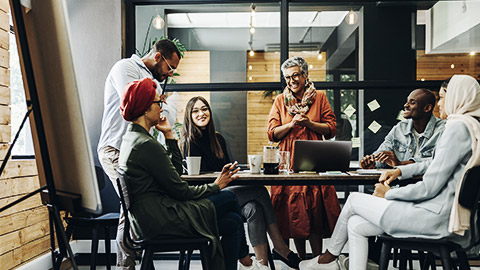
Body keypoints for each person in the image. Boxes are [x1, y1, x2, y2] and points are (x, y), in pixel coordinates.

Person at [299, 74, 480, 270]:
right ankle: (333, 263)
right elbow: (435, 164)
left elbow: (429, 187)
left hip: (435, 217)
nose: (440, 103)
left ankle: (327, 260)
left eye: (444, 97)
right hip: (443, 214)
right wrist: (400, 170)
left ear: (458, 97)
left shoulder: (456, 128)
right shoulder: (472, 127)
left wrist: (389, 194)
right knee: (356, 224)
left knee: (352, 201)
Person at [118, 78, 267, 270]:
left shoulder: (133, 139)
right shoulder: (145, 145)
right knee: (229, 197)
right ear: (146, 108)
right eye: (158, 102)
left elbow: (175, 172)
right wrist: (216, 186)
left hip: (150, 219)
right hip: (161, 220)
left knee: (234, 221)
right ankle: (246, 260)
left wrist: (169, 136)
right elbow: (180, 190)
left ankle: (244, 262)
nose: (161, 106)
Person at [182, 96, 301, 269]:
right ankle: (280, 247)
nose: (201, 113)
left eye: (204, 109)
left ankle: (261, 264)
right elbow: (195, 183)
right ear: (189, 116)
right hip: (208, 199)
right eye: (196, 111)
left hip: (226, 193)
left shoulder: (218, 139)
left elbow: (228, 172)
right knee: (259, 192)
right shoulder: (188, 142)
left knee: (254, 207)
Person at [97, 39, 181, 269]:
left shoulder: (152, 80)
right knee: (131, 204)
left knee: (138, 204)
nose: (171, 74)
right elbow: (135, 103)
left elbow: (166, 117)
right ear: (157, 57)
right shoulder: (125, 68)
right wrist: (158, 100)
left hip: (136, 153)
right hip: (115, 149)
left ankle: (141, 264)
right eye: (170, 67)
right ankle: (127, 267)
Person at [267, 56, 340, 259]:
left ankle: (316, 259)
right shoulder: (280, 100)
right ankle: (301, 261)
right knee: (293, 213)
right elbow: (272, 133)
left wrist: (308, 123)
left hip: (314, 159)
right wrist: (290, 125)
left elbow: (331, 129)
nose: (291, 81)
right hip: (288, 162)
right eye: (287, 77)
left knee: (314, 210)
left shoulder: (320, 97)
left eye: (295, 76)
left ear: (305, 75)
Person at [360, 88, 445, 169]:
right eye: (407, 101)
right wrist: (372, 162)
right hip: (399, 183)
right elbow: (382, 152)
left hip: (428, 183)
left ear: (427, 108)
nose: (405, 105)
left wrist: (401, 164)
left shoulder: (443, 129)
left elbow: (440, 161)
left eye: (412, 102)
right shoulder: (400, 128)